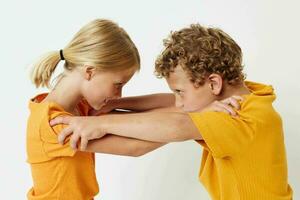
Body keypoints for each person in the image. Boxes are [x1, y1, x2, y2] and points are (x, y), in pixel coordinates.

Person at [51, 24, 293, 199]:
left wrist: (100, 124)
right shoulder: (247, 98)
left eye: (180, 92)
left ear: (214, 84)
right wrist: (116, 105)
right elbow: (171, 104)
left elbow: (177, 126)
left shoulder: (238, 117)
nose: (178, 102)